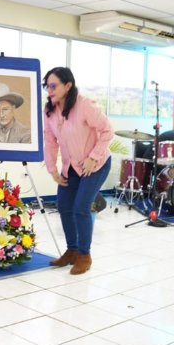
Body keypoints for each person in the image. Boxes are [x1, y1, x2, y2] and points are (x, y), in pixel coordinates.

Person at [42, 67, 113, 275]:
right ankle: (71, 250)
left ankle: (84, 254)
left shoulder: (84, 105)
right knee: (64, 206)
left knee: (81, 207)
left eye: (53, 86)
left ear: (68, 86)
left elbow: (108, 130)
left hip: (96, 165)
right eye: (47, 86)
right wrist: (52, 169)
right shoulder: (50, 111)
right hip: (70, 166)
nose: (49, 90)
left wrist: (93, 157)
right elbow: (50, 141)